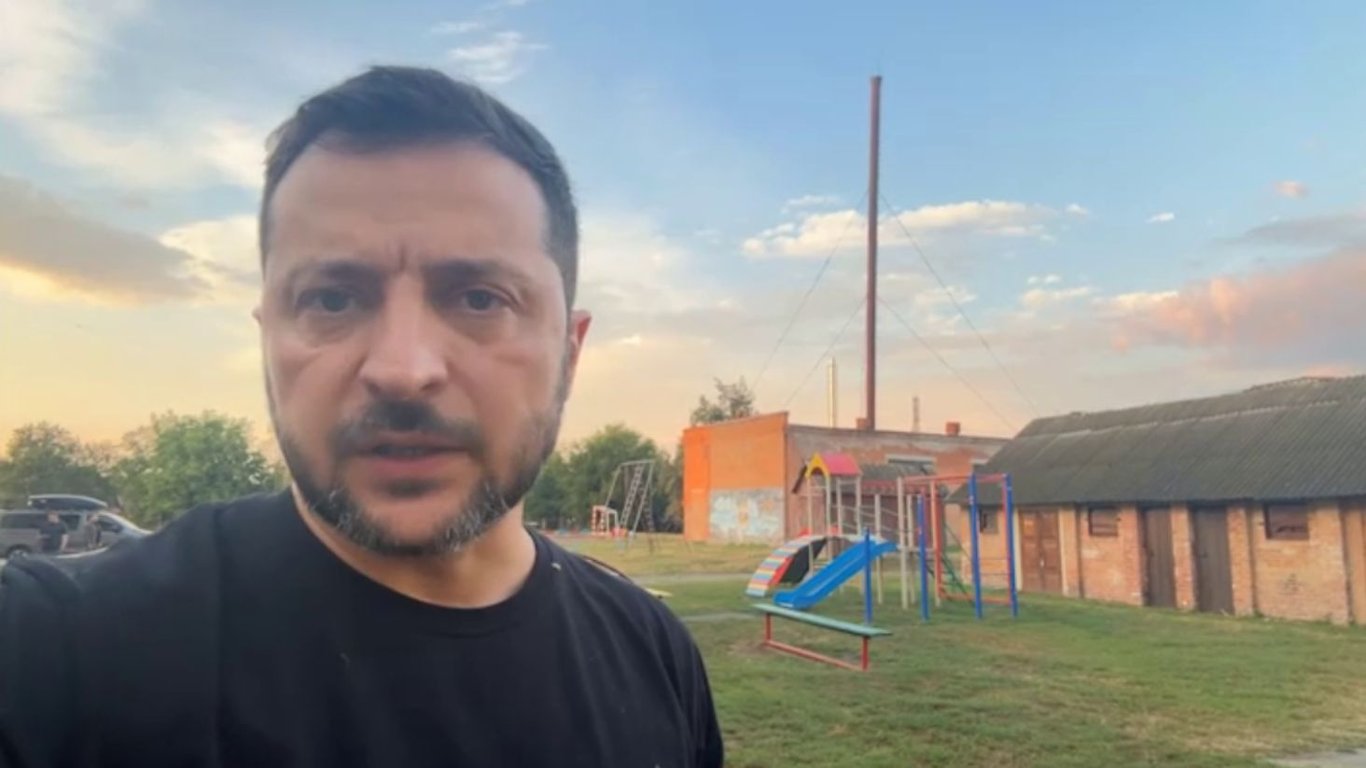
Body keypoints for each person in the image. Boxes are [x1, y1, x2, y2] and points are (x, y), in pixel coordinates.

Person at [0, 65, 724, 768]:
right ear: (268, 340)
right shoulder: (57, 651)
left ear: (569, 351)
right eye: (332, 299)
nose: (402, 370)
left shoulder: (653, 654)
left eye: (480, 298)